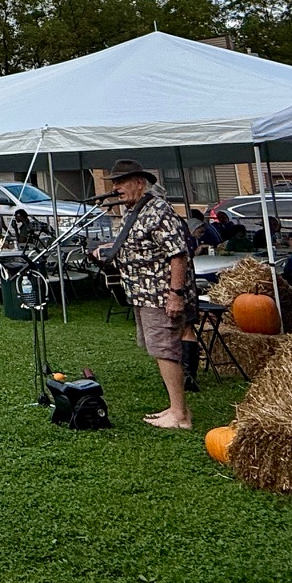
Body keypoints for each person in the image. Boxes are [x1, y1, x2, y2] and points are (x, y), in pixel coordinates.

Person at [98, 159, 195, 430]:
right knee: (157, 348)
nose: (116, 188)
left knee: (165, 350)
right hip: (141, 293)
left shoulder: (157, 210)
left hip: (159, 294)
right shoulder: (134, 211)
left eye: (121, 182)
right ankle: (175, 408)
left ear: (139, 182)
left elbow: (178, 254)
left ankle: (180, 415)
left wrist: (175, 293)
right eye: (114, 183)